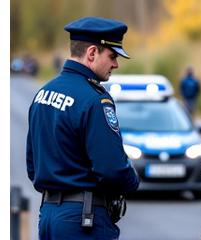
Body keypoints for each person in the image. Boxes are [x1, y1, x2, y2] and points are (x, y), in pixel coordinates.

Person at [26, 16, 140, 240]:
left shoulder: (43, 93)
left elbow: (33, 164)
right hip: (83, 221)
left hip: (49, 216)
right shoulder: (94, 100)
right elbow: (112, 169)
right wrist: (133, 180)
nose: (115, 64)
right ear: (91, 53)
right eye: (112, 56)